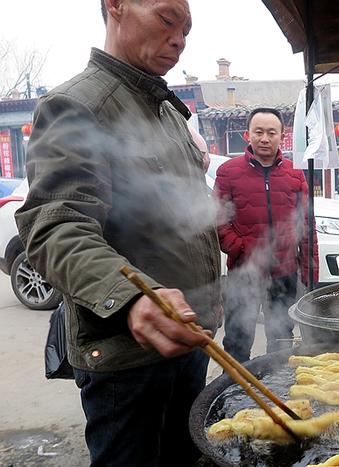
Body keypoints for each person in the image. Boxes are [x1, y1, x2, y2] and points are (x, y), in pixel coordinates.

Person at [14, 1, 221, 465]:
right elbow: (55, 224)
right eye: (168, 19)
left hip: (189, 339)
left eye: (187, 28)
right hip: (127, 357)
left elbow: (177, 214)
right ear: (116, 6)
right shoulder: (78, 103)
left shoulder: (167, 113)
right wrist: (131, 297)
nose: (180, 38)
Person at [215, 107, 318, 362]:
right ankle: (237, 393)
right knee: (238, 339)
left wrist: (309, 272)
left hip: (284, 272)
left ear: (282, 136)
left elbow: (306, 224)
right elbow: (217, 220)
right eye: (258, 132)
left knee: (282, 338)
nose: (264, 138)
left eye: (271, 132)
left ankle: (277, 390)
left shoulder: (294, 175)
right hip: (244, 272)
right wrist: (241, 247)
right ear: (247, 135)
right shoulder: (229, 172)